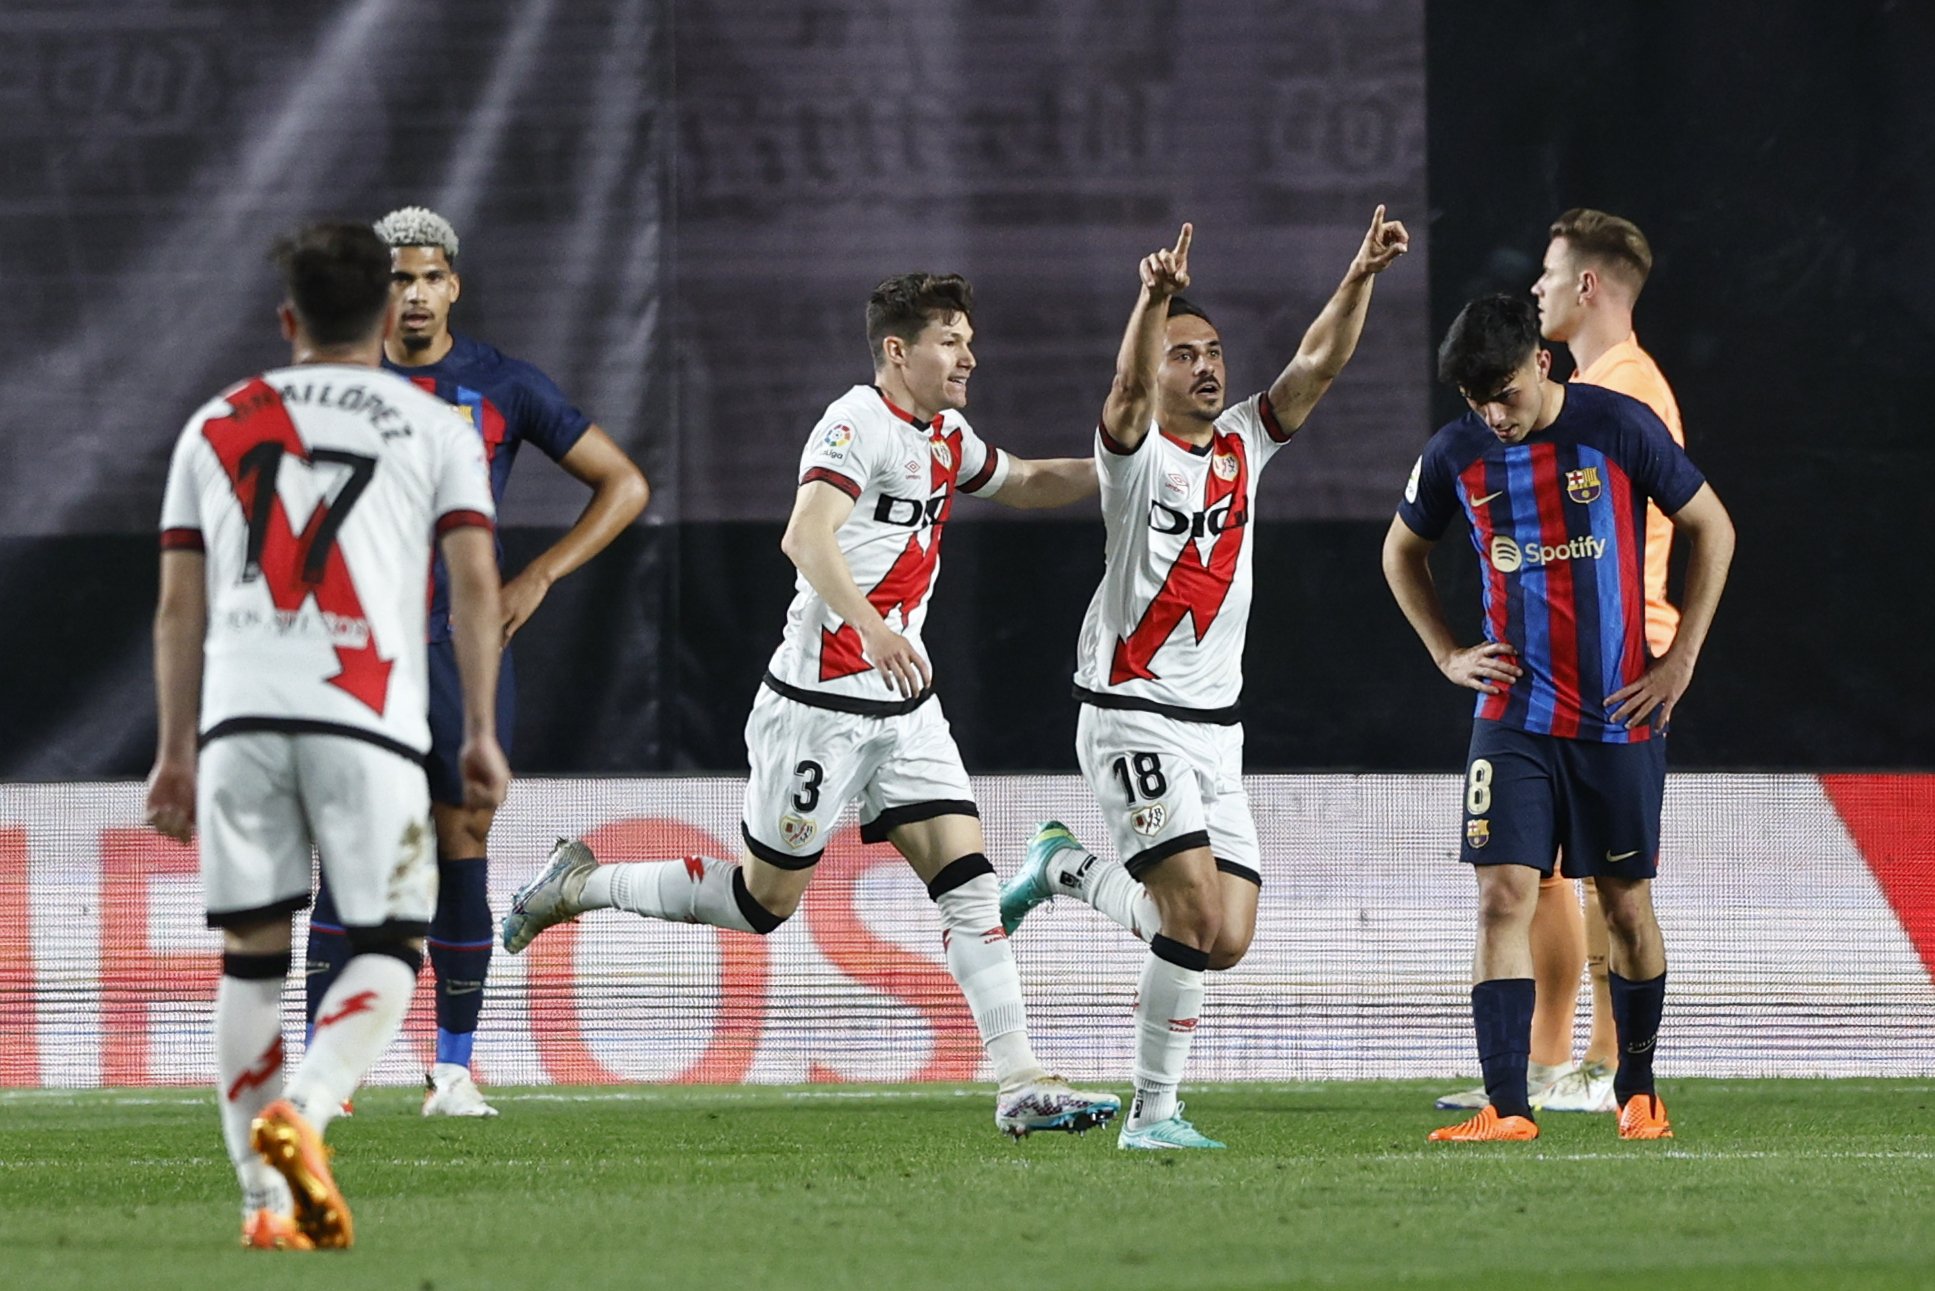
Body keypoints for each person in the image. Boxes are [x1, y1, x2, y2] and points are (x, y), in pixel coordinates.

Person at [498, 272, 1120, 1137]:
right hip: (818, 706)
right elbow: (804, 534)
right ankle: (580, 884)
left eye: (969, 337)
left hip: (903, 705)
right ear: (897, 352)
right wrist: (870, 628)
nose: (968, 353)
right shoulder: (854, 421)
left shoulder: (945, 434)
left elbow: (1025, 480)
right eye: (949, 338)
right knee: (760, 905)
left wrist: (1129, 474)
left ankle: (1019, 1079)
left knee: (969, 886)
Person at [999, 210, 1411, 1149]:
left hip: (1214, 727)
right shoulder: (1133, 457)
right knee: (1188, 910)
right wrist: (1151, 301)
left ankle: (1060, 866)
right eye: (1185, 354)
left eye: (1214, 351)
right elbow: (1123, 388)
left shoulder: (1241, 445)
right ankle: (1153, 1113)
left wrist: (1358, 274)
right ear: (1159, 369)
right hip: (1129, 711)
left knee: (1224, 937)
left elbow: (1316, 366)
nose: (1206, 366)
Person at [144, 221, 509, 1248]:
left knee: (251, 962)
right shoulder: (439, 423)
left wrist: (174, 749)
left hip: (242, 720)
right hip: (369, 721)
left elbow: (180, 609)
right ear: (389, 314)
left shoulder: (216, 422)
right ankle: (304, 1113)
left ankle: (265, 1205)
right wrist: (479, 726)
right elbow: (474, 585)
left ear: (286, 319)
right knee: (392, 943)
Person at [302, 207, 649, 1118]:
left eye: (427, 278)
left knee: (461, 852)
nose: (412, 295)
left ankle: (451, 1070)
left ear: (451, 284)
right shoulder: (335, 380)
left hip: (459, 658)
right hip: (358, 658)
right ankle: (323, 1073)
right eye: (395, 279)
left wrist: (535, 576)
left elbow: (625, 482)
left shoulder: (499, 384)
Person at [1383, 292, 1733, 1143]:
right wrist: (1446, 653)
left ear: (1540, 361)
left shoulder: (1617, 426)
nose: (1494, 416)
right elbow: (1401, 550)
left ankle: (1637, 1090)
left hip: (1617, 713)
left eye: (1503, 392)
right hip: (1511, 713)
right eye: (1477, 402)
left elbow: (1712, 528)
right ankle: (1507, 1106)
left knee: (1623, 909)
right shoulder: (1453, 453)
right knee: (1501, 895)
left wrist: (1678, 660)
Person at [1436, 209, 1689, 1116]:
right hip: (1539, 678)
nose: (1536, 287)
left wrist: (1664, 652)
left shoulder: (1624, 393)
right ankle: (1543, 1065)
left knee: (1608, 886)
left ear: (1586, 285)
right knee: (1527, 878)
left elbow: (1665, 525)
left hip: (1618, 663)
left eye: (1548, 273)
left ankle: (1606, 1060)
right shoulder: (1569, 388)